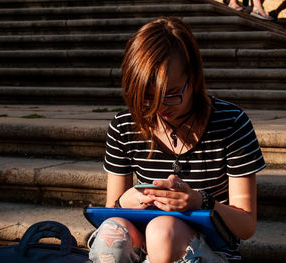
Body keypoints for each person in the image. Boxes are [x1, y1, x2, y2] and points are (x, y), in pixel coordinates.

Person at [88, 17, 266, 263]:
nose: (159, 108)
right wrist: (123, 201)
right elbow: (111, 213)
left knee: (163, 231)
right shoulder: (124, 125)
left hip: (208, 252)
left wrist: (199, 200)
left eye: (171, 94)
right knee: (112, 232)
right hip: (146, 249)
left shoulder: (230, 122)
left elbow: (246, 225)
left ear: (193, 76)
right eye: (147, 98)